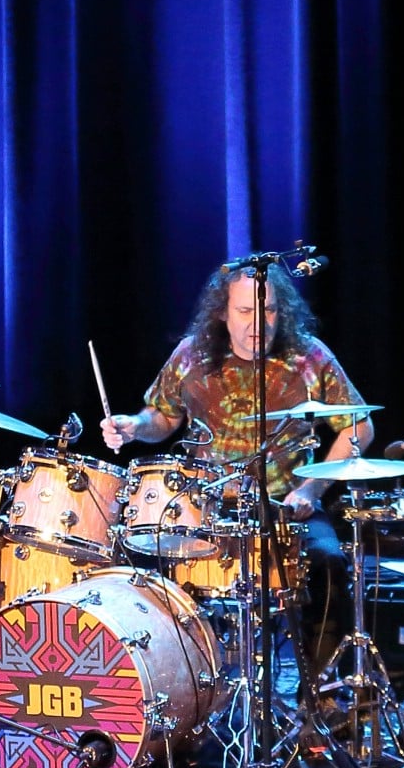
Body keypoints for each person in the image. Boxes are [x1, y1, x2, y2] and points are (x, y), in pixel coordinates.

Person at [102, 263, 374, 673]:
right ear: (223, 313)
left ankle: (319, 699)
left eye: (268, 311)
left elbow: (360, 426)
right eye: (245, 312)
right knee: (144, 566)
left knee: (329, 564)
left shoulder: (309, 356)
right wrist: (134, 426)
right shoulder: (192, 355)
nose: (257, 324)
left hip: (288, 507)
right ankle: (178, 689)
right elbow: (161, 418)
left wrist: (310, 490)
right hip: (208, 511)